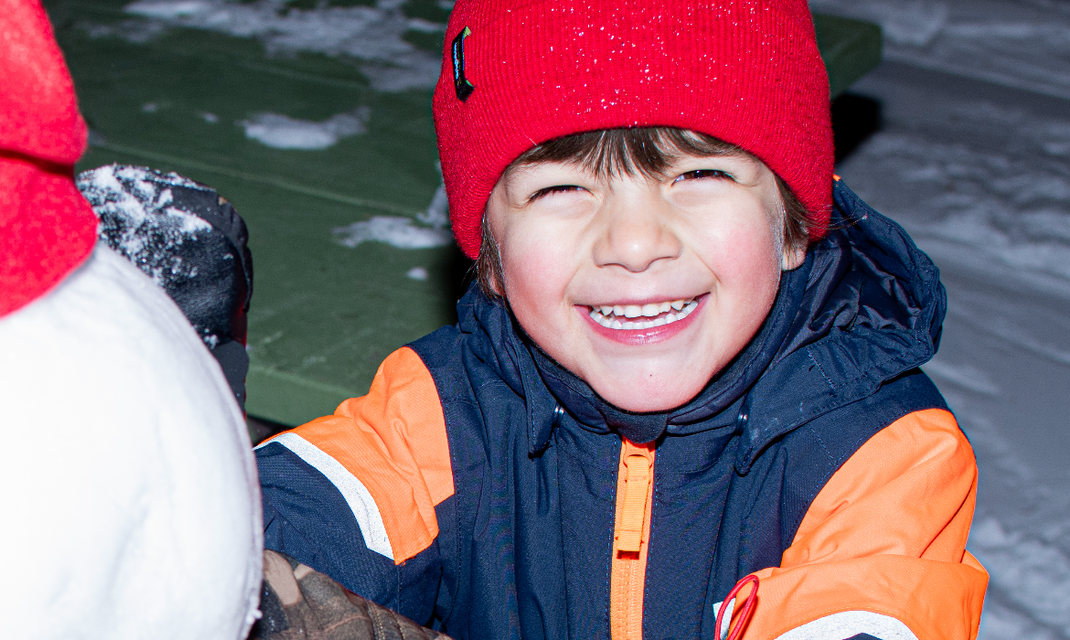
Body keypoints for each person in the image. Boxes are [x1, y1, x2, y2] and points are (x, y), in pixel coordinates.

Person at [251, 1, 988, 638]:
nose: (635, 244)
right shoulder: (444, 412)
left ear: (793, 225)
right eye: (560, 188)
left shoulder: (881, 457)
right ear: (494, 258)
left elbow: (867, 606)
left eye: (700, 174)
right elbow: (269, 515)